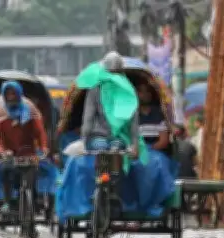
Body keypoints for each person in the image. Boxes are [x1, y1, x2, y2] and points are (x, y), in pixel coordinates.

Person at [56, 51, 144, 221]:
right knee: (103, 151)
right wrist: (84, 140)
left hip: (117, 137)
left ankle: (113, 193)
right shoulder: (97, 89)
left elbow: (133, 121)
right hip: (99, 137)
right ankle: (99, 191)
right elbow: (88, 118)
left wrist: (135, 145)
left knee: (116, 151)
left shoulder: (125, 90)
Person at [0, 80, 49, 214]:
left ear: (19, 94)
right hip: (9, 154)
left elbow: (40, 132)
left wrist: (44, 147)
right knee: (5, 169)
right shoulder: (1, 113)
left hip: (28, 153)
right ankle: (6, 202)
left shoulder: (29, 111)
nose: (11, 97)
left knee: (32, 173)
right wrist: (1, 150)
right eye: (8, 94)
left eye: (14, 94)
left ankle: (32, 201)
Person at [128, 80, 178, 216]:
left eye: (147, 91)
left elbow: (163, 141)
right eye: (140, 91)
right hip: (134, 151)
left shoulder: (159, 115)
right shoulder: (131, 115)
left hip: (155, 151)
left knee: (155, 165)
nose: (144, 94)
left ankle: (153, 202)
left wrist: (147, 150)